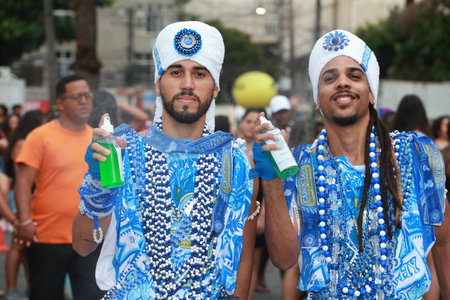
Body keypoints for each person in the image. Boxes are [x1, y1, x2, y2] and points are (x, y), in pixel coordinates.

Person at [254, 29, 450, 299]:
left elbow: (443, 245)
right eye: (330, 78)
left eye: (355, 76)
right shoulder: (303, 166)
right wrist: (273, 180)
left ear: (371, 93)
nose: (342, 83)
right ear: (318, 100)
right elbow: (284, 259)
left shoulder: (413, 155)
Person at [72, 21, 258, 299]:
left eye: (199, 73)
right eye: (175, 72)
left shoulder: (236, 163)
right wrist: (97, 188)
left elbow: (243, 257)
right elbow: (82, 246)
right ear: (158, 84)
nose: (187, 84)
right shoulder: (122, 153)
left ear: (215, 87)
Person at [14, 75, 105, 300]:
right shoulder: (40, 136)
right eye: (76, 96)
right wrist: (24, 221)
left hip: (88, 238)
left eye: (87, 95)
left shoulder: (97, 139)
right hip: (47, 239)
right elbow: (23, 183)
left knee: (92, 296)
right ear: (61, 103)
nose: (84, 101)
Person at [0, 110, 44, 300]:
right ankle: (11, 290)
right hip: (21, 198)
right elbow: (22, 180)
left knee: (25, 247)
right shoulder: (22, 143)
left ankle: (27, 288)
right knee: (18, 245)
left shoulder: (27, 142)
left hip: (27, 197)